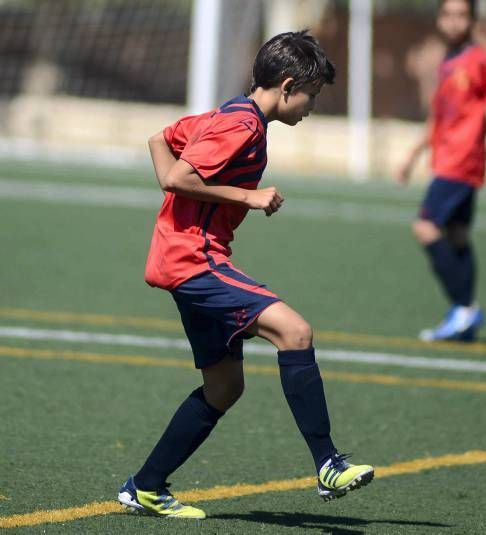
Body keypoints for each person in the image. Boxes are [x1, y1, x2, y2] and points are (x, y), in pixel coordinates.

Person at [117, 31, 373, 519]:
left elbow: (159, 142)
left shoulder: (228, 113)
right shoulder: (243, 126)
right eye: (312, 97)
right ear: (288, 85)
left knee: (224, 388)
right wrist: (248, 196)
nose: (311, 107)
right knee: (294, 332)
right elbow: (177, 177)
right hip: (195, 259)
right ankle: (328, 464)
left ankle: (145, 487)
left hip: (182, 258)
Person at [397, 0, 486, 342]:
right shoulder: (448, 61)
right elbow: (439, 116)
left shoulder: (478, 59)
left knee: (425, 227)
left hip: (463, 160)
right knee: (458, 236)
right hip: (447, 158)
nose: (453, 21)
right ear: (439, 18)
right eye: (448, 14)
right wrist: (413, 154)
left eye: (461, 15)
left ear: (473, 20)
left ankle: (464, 308)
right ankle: (464, 317)